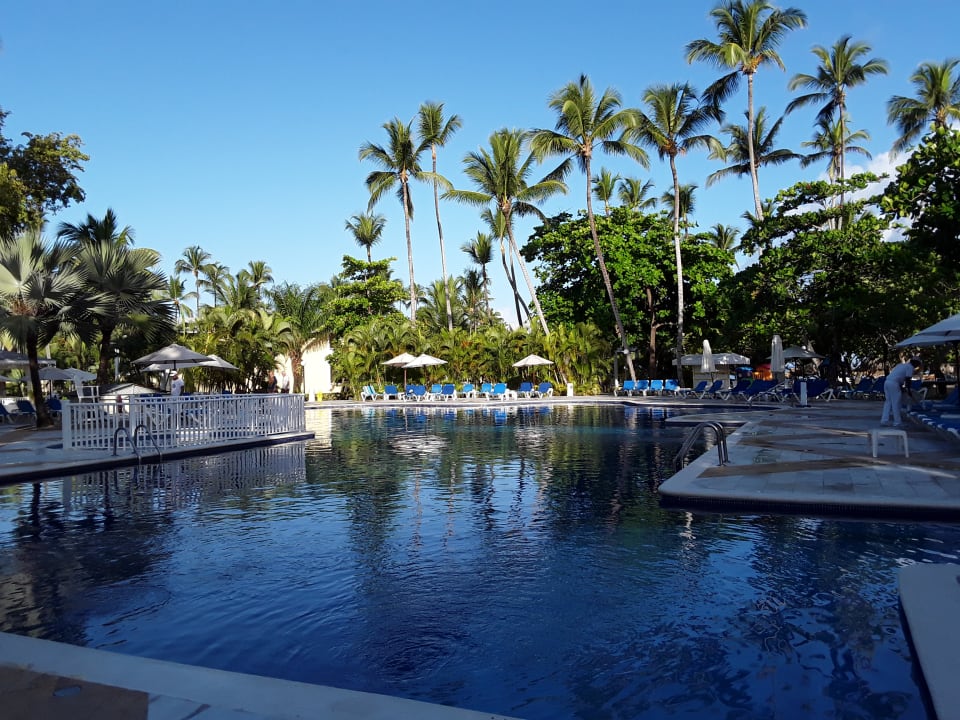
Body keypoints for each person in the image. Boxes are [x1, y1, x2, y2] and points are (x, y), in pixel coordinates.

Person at [881, 357, 922, 427]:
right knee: (896, 403)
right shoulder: (910, 367)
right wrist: (909, 390)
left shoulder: (901, 365)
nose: (917, 366)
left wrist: (902, 388)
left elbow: (897, 376)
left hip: (887, 382)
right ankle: (897, 422)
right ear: (914, 363)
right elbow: (908, 380)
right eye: (917, 364)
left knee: (888, 402)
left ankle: (884, 421)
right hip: (894, 383)